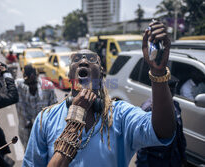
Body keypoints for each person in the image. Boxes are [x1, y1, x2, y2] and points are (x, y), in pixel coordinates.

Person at [23, 21, 176, 167]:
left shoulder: (120, 114)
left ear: (101, 73)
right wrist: (76, 116)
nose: (83, 61)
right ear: (70, 74)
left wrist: (158, 72)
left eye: (91, 59)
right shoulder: (46, 119)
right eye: (76, 59)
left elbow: (163, 131)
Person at [136, 76, 187, 167]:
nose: (172, 93)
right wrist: (142, 163)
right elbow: (141, 141)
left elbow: (180, 136)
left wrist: (183, 157)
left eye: (173, 91)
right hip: (155, 161)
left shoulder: (175, 106)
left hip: (172, 159)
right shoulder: (149, 109)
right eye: (169, 90)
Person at [15, 64, 57, 149]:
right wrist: (4, 74)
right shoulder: (18, 85)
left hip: (44, 133)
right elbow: (5, 90)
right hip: (26, 133)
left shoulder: (48, 86)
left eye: (33, 82)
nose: (31, 86)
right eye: (28, 82)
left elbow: (55, 109)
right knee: (29, 154)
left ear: (35, 76)